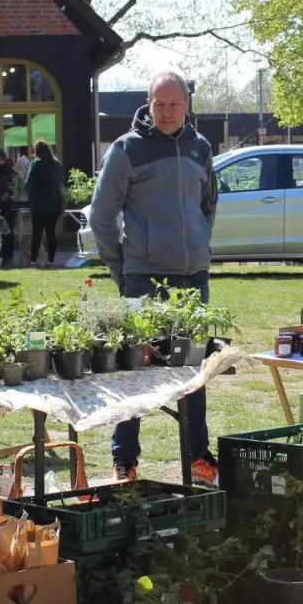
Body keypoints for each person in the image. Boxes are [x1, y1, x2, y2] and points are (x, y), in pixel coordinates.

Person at [90, 71, 218, 485]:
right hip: (143, 279)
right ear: (147, 103)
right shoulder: (126, 150)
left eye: (173, 104)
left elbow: (208, 205)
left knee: (193, 372)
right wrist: (121, 266)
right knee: (136, 371)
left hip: (192, 279)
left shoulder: (200, 149)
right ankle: (124, 460)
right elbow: (101, 214)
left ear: (186, 105)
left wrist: (198, 243)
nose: (165, 112)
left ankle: (198, 456)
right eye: (158, 104)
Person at [26, 139, 65, 268]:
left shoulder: (35, 164)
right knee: (51, 232)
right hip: (54, 203)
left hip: (38, 204)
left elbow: (28, 184)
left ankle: (33, 260)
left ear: (36, 151)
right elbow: (61, 185)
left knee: (37, 233)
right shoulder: (57, 164)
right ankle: (51, 260)